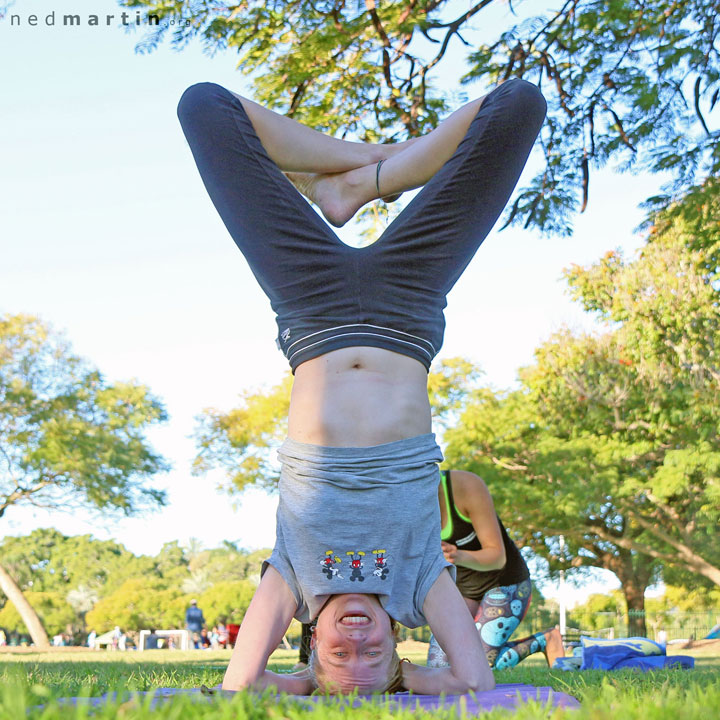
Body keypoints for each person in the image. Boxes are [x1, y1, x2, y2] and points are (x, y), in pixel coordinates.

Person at [176, 75, 546, 694]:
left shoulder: (292, 578)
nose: (357, 641)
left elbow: (240, 688)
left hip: (310, 306)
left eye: (340, 656)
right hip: (408, 303)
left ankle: (355, 175)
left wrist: (301, 688)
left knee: (204, 106)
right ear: (399, 652)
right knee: (519, 104)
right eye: (372, 657)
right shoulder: (418, 579)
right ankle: (372, 177)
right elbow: (476, 683)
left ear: (312, 650)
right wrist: (410, 682)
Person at [426, 469, 564, 670]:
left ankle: (546, 639)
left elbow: (497, 557)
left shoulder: (464, 486)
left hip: (505, 583)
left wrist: (457, 555)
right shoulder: (405, 504)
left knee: (479, 666)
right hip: (465, 589)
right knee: (437, 668)